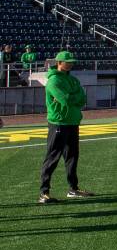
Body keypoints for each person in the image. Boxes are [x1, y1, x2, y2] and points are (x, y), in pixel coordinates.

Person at [39, 51, 93, 203]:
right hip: (59, 123)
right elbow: (66, 99)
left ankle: (73, 188)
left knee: (72, 157)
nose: (70, 64)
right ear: (59, 62)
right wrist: (73, 97)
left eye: (71, 62)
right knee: (52, 158)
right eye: (67, 61)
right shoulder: (54, 81)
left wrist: (73, 97)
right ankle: (44, 192)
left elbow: (82, 98)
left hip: (72, 122)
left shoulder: (73, 80)